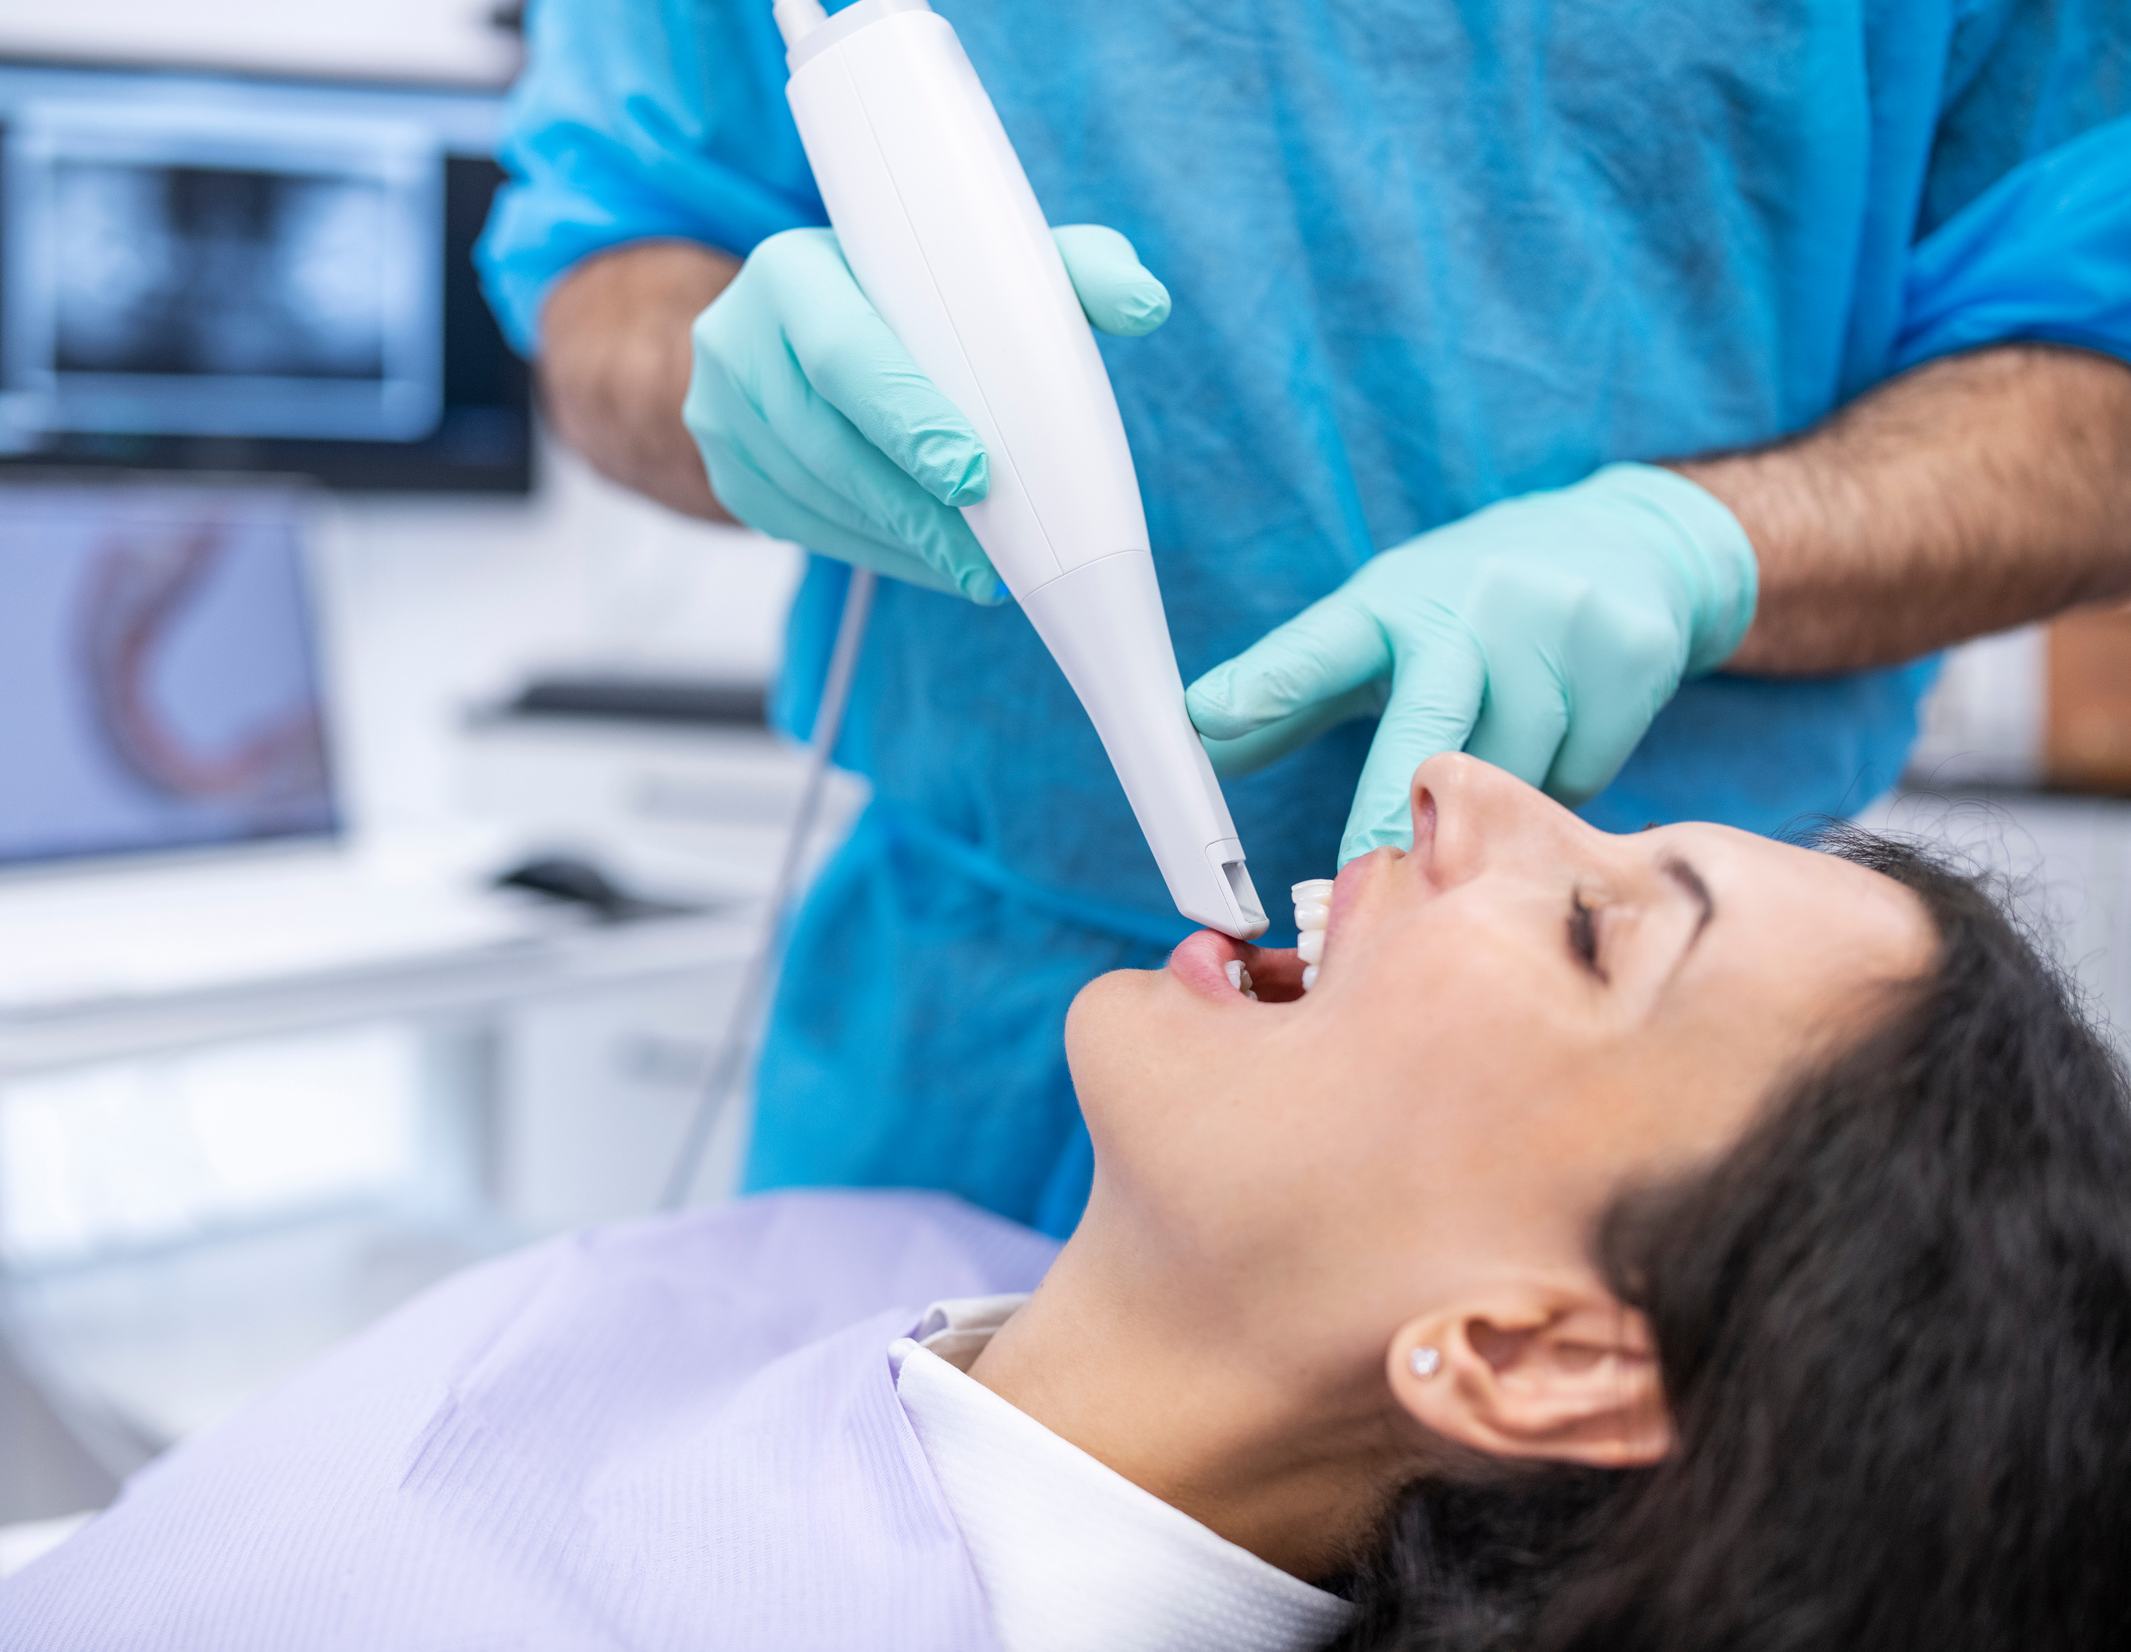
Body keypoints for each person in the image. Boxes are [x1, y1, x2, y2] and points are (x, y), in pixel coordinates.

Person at [0, 756, 2127, 1650]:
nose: (1469, 780)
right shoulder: (855, 1267)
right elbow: (131, 1571)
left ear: (1530, 1351)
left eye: (1600, 923)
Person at [484, 0, 2131, 1234]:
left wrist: (1701, 546)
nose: (1451, 814)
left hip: (1612, 1140)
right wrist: (730, 371)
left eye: (1599, 926)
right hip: (956, 1020)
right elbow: (610, 258)